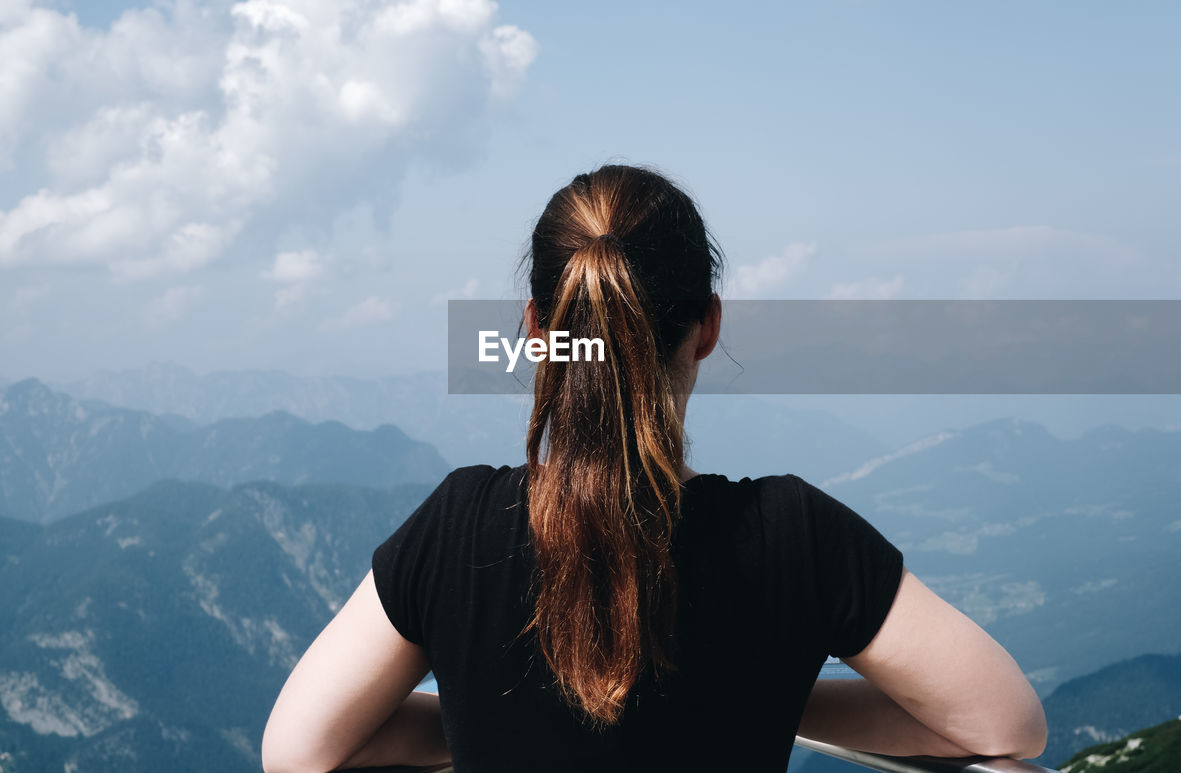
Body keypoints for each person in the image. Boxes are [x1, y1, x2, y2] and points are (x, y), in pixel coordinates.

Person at [261, 165, 1047, 773]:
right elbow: (1007, 727)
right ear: (707, 326)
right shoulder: (792, 536)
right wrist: (770, 700)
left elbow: (297, 752)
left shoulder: (461, 523)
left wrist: (468, 721)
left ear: (538, 330)